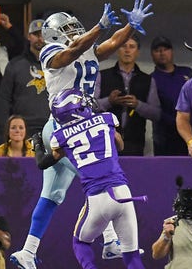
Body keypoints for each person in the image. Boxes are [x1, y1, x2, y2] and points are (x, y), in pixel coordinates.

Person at [11, 0, 154, 268]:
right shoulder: (50, 50)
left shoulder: (84, 45)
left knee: (52, 194)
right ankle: (111, 240)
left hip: (77, 125)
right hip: (64, 126)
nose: (75, 32)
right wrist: (99, 27)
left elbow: (111, 45)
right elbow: (72, 52)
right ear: (54, 33)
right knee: (97, 176)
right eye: (68, 29)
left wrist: (130, 27)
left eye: (76, 27)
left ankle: (28, 251)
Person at [37, 89, 145, 268]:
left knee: (80, 242)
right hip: (123, 192)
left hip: (97, 197)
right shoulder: (107, 119)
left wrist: (38, 145)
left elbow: (44, 162)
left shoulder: (60, 137)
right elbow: (120, 144)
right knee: (132, 256)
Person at [95, 35, 161, 156]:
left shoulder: (147, 80)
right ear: (117, 50)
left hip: (135, 144)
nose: (127, 50)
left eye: (132, 47)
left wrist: (137, 105)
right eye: (123, 46)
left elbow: (156, 114)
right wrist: (109, 101)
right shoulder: (102, 76)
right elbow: (91, 108)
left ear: (137, 52)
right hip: (105, 141)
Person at [0, 19, 50, 136]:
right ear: (29, 36)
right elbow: (4, 100)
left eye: (43, 35)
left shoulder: (57, 65)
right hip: (22, 128)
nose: (40, 38)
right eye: (36, 34)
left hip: (51, 126)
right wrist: (5, 128)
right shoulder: (15, 65)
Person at [149, 36, 192, 156]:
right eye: (158, 50)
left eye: (165, 49)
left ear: (172, 51)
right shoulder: (151, 79)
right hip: (165, 138)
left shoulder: (187, 72)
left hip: (190, 135)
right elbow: (154, 111)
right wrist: (177, 122)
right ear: (152, 54)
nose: (162, 53)